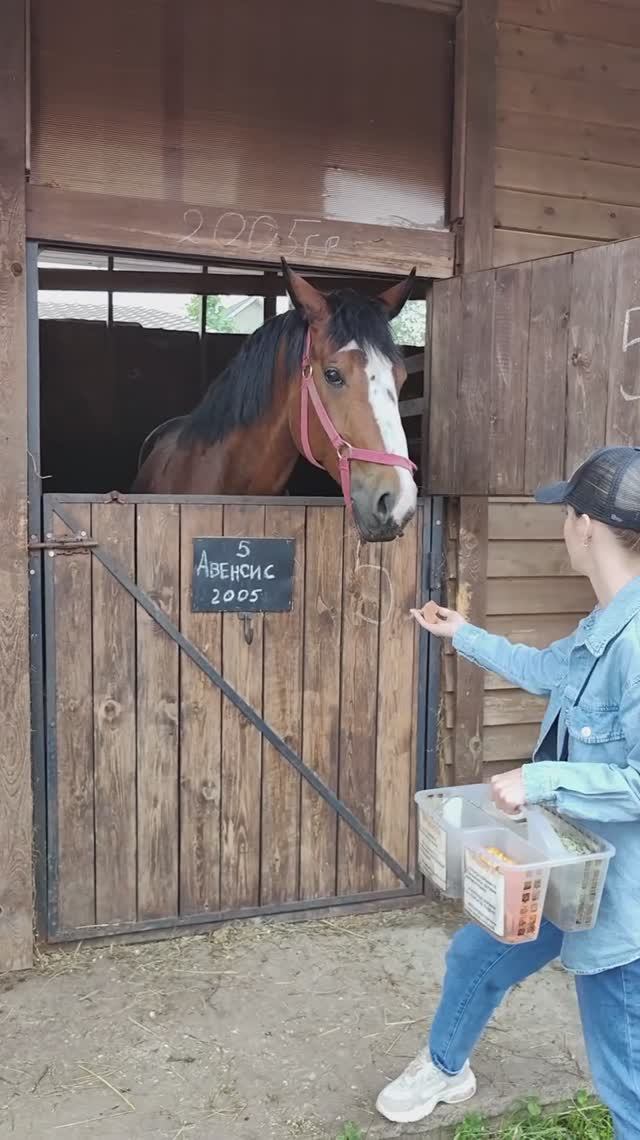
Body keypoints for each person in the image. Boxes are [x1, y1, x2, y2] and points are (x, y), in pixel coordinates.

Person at [376, 446, 640, 1139]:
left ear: (586, 524)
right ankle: (445, 1065)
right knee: (476, 953)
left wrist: (540, 778)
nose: (562, 525)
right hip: (574, 861)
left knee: (628, 1088)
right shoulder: (607, 622)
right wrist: (463, 635)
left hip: (624, 904)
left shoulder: (639, 642)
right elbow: (546, 669)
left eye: (566, 513)